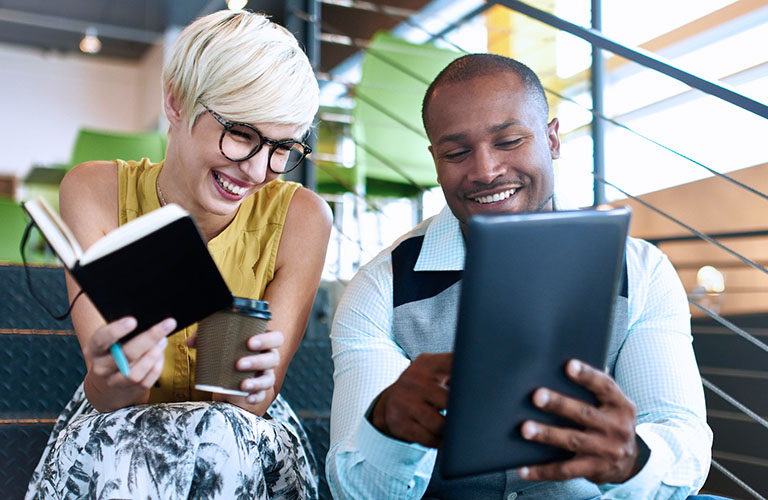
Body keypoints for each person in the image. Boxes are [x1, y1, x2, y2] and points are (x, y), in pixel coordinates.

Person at [326, 53, 717, 499]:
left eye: (509, 141)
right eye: (456, 153)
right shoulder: (381, 287)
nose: (486, 171)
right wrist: (387, 428)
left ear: (552, 139)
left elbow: (683, 440)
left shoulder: (640, 271)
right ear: (435, 160)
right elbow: (354, 488)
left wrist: (634, 460)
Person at [26, 10, 331, 500]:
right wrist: (116, 379)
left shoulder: (303, 218)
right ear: (175, 100)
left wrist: (246, 381)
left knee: (219, 437)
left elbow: (247, 407)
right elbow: (114, 397)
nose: (257, 170)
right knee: (133, 450)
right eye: (241, 134)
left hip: (237, 433)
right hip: (120, 422)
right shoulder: (94, 190)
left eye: (282, 147)